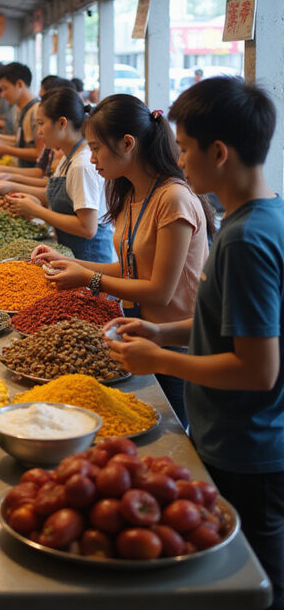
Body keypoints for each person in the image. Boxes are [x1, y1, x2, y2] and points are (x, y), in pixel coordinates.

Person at [106, 77, 284, 610]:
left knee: (256, 580)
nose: (179, 161)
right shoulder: (261, 218)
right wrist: (163, 332)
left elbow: (258, 369)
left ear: (220, 153)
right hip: (242, 435)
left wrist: (160, 359)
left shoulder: (246, 241)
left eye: (184, 149)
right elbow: (231, 324)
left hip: (247, 443)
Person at [32, 93, 212, 426]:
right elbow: (131, 269)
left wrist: (89, 279)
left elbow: (159, 290)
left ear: (127, 143)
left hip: (173, 345)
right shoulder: (129, 192)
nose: (92, 157)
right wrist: (71, 263)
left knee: (171, 432)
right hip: (137, 334)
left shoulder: (173, 198)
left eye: (97, 148)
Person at [6, 87, 115, 261]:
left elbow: (87, 228)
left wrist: (38, 210)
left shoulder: (82, 165)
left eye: (41, 124)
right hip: (72, 255)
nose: (39, 132)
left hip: (89, 260)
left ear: (62, 123)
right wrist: (30, 199)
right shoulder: (68, 156)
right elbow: (63, 195)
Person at [0, 62, 44, 168]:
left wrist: (4, 149)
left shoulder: (37, 111)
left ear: (19, 84)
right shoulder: (21, 108)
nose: (2, 94)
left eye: (5, 88)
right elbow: (20, 141)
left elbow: (39, 153)